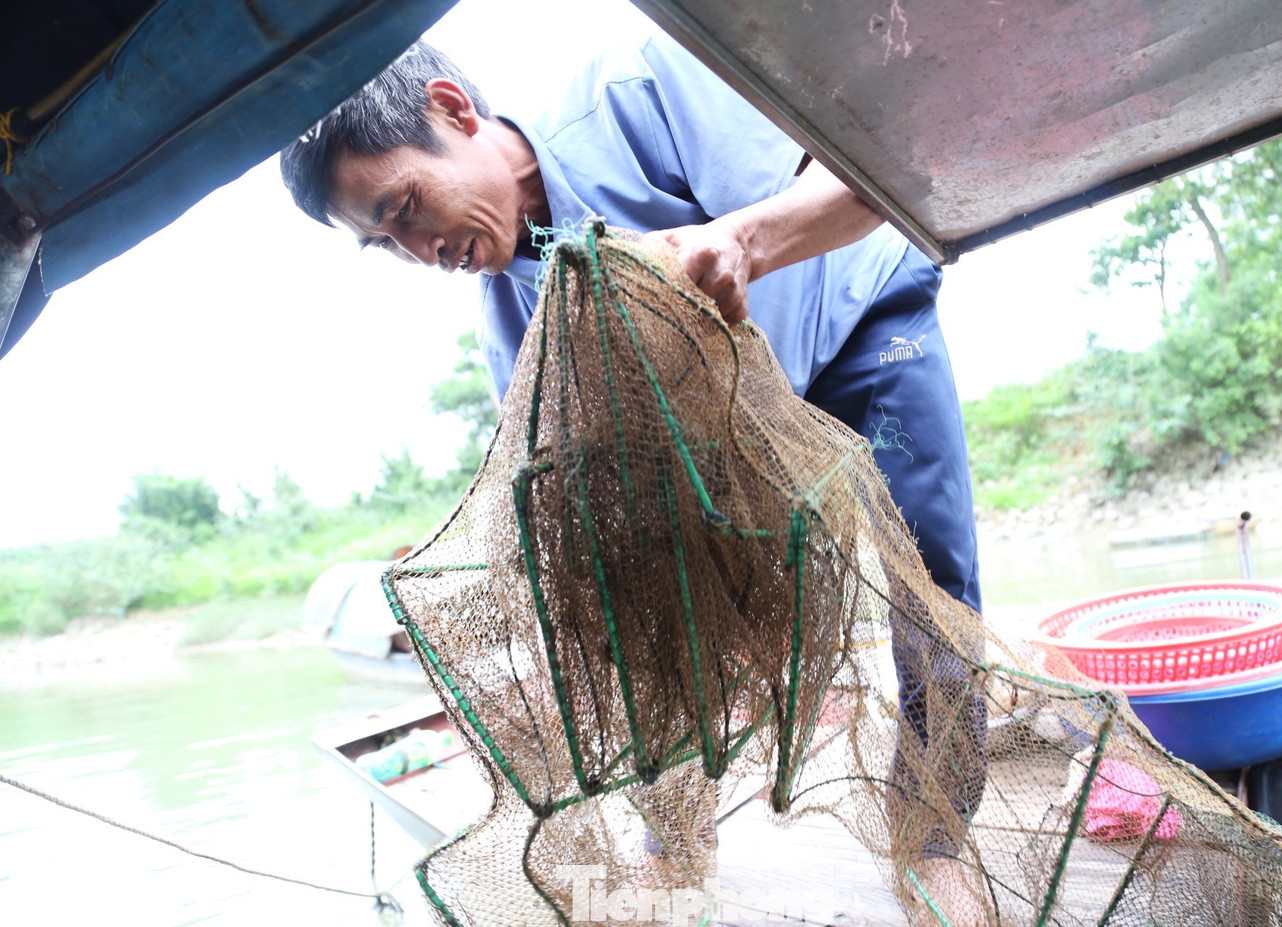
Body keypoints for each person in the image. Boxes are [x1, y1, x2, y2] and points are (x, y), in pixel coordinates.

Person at [280, 32, 987, 925]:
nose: (422, 251)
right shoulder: (511, 315)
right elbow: (551, 495)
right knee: (633, 596)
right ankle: (675, 841)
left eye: (407, 206)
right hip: (743, 433)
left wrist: (745, 242)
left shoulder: (643, 91)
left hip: (857, 313)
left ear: (454, 112)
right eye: (386, 244)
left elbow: (883, 177)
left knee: (933, 582)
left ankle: (936, 844)